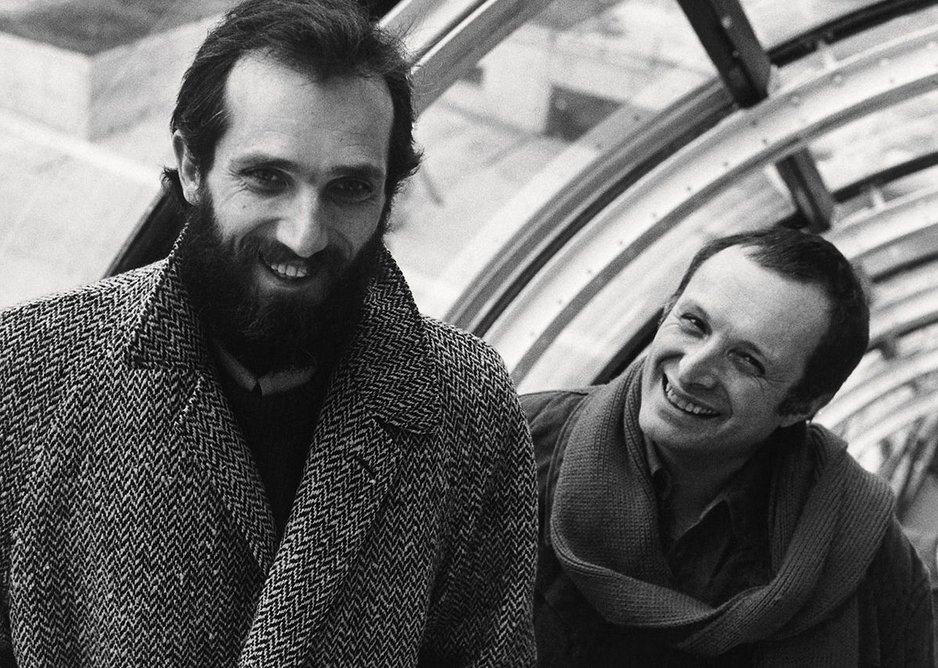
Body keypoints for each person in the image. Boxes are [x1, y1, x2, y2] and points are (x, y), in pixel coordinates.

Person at [0, 1, 536, 665]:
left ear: (389, 196)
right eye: (268, 177)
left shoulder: (468, 407)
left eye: (349, 188)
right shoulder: (27, 373)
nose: (303, 235)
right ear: (193, 168)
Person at [524, 227, 934, 666]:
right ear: (665, 312)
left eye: (747, 360)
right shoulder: (522, 444)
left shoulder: (868, 562)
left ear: (802, 405)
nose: (692, 370)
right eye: (694, 324)